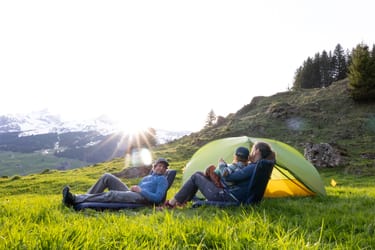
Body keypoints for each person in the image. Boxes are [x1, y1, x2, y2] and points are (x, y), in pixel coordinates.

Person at [164, 142, 275, 208]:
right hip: (232, 195)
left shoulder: (253, 167)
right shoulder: (260, 166)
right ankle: (180, 201)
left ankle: (171, 204)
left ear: (257, 151)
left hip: (228, 198)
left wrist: (222, 165)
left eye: (252, 150)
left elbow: (228, 176)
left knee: (196, 177)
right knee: (198, 175)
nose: (250, 153)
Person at [62, 158, 170, 207]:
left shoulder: (162, 180)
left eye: (163, 167)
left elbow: (158, 198)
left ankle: (75, 199)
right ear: (154, 167)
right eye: (159, 166)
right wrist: (135, 188)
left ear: (165, 170)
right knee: (107, 177)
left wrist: (141, 191)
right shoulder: (148, 177)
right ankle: (85, 197)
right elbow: (139, 189)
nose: (161, 168)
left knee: (112, 194)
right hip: (133, 194)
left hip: (142, 200)